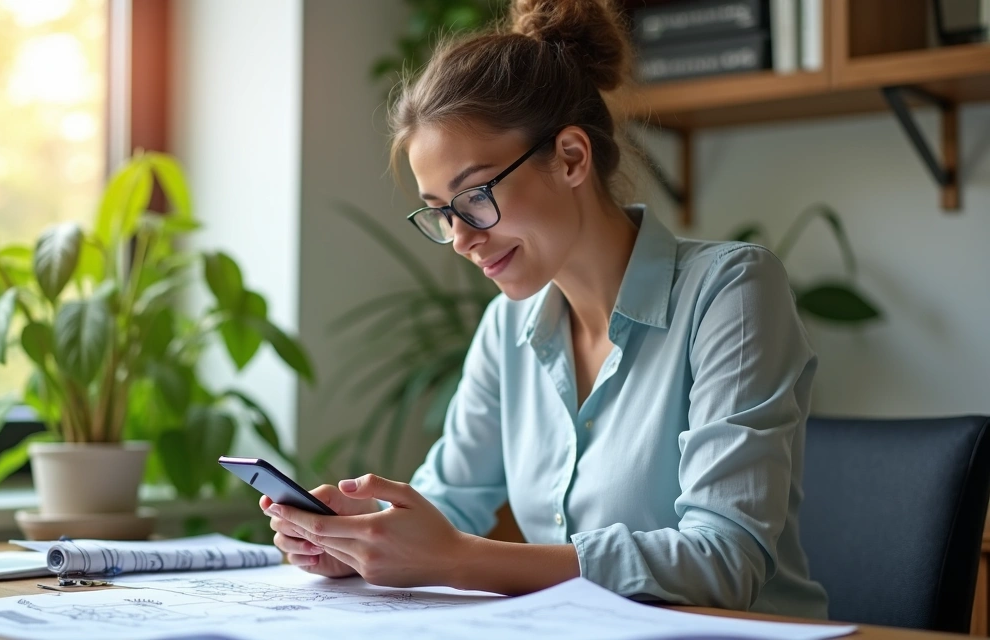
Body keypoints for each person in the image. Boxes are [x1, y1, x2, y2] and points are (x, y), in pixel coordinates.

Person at [262, 0, 828, 619]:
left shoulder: (731, 292)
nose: (460, 237)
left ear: (570, 158)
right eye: (441, 210)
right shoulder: (508, 327)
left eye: (474, 195)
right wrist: (358, 539)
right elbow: (448, 501)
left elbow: (723, 561)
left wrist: (457, 559)